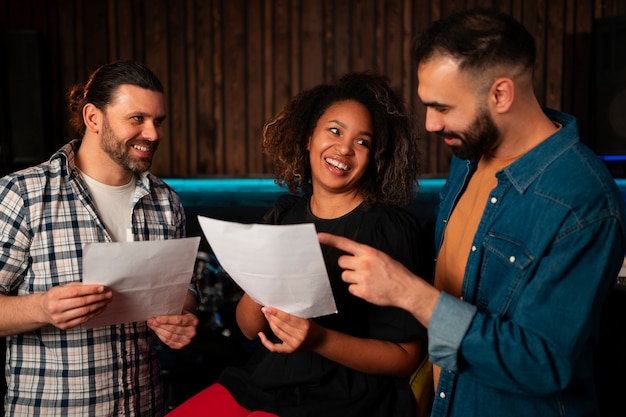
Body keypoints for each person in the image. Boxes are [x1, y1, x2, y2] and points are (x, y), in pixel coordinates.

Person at [318, 9, 626, 417]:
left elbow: (544, 364)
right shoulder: (468, 155)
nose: (429, 123)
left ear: (500, 94)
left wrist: (409, 292)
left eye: (442, 107)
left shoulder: (584, 200)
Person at [167, 72, 434, 417]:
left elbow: (405, 358)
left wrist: (318, 339)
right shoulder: (284, 215)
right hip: (264, 380)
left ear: (375, 158)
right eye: (334, 131)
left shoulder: (391, 230)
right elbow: (249, 327)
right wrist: (265, 278)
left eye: (362, 141)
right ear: (309, 138)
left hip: (345, 395)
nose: (344, 149)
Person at [0, 60, 199, 416]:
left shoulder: (167, 201)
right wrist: (41, 308)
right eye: (137, 119)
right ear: (93, 118)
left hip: (147, 406)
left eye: (158, 121)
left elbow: (185, 293)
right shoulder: (23, 194)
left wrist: (180, 318)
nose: (153, 134)